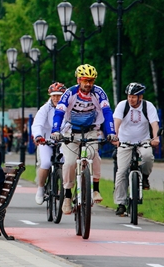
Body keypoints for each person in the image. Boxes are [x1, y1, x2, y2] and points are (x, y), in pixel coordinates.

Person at [50, 64, 118, 215]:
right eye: (85, 80)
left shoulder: (99, 92)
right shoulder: (70, 93)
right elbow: (59, 112)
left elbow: (107, 112)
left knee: (95, 156)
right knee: (69, 163)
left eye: (91, 81)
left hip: (90, 130)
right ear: (79, 80)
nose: (88, 84)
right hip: (71, 132)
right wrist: (55, 130)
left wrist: (111, 132)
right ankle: (67, 196)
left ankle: (96, 189)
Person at [112, 82, 160, 216]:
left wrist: (156, 138)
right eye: (129, 96)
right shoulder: (123, 105)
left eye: (133, 96)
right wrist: (115, 136)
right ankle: (121, 203)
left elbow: (154, 123)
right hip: (124, 141)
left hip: (143, 140)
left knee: (148, 157)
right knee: (121, 171)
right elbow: (117, 122)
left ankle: (144, 176)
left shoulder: (147, 106)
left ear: (140, 97)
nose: (130, 99)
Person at [31, 82, 67, 205]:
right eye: (54, 96)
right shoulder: (45, 108)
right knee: (46, 162)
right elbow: (38, 124)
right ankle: (41, 188)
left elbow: (72, 123)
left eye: (59, 95)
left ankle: (67, 191)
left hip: (64, 141)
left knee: (67, 162)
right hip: (46, 141)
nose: (56, 98)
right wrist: (38, 136)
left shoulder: (69, 107)